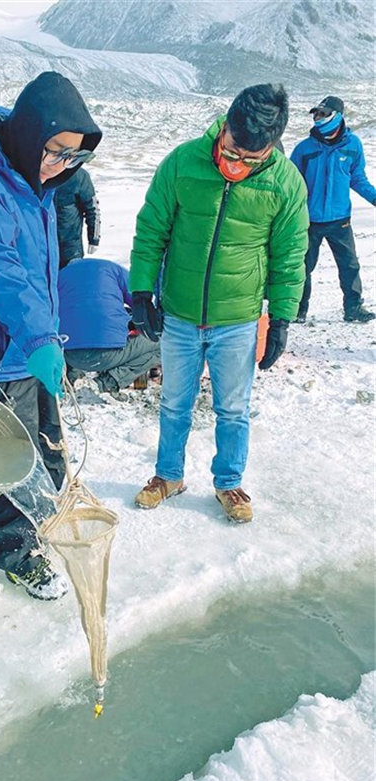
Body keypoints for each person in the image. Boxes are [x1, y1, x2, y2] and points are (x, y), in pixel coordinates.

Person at [0, 71, 102, 600]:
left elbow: (37, 267)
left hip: (31, 339)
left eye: (74, 158)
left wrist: (47, 332)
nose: (62, 167)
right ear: (31, 134)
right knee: (17, 455)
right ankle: (16, 551)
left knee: (50, 447)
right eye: (56, 152)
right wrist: (37, 337)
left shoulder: (36, 181)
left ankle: (35, 524)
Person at [130, 83, 309, 524]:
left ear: (270, 148)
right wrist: (140, 291)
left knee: (233, 408)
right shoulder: (182, 163)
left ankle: (229, 484)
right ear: (224, 127)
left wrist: (282, 317)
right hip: (181, 313)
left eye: (251, 160)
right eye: (232, 153)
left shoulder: (285, 183)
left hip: (238, 319)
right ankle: (167, 476)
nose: (237, 165)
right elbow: (152, 229)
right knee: (174, 402)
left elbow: (289, 258)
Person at [290, 96, 376, 323]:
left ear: (337, 116)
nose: (318, 118)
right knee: (302, 267)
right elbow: (291, 185)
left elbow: (358, 179)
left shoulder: (353, 145)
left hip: (340, 220)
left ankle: (353, 309)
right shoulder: (303, 148)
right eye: (316, 114)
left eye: (323, 113)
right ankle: (298, 310)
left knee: (349, 265)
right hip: (309, 220)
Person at [58, 258, 160, 392]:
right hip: (108, 354)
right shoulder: (113, 270)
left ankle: (73, 376)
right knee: (163, 343)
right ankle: (111, 381)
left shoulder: (59, 276)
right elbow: (139, 303)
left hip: (69, 356)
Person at [54, 165, 100, 269]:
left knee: (71, 283)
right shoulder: (38, 173)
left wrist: (94, 239)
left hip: (71, 250)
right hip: (42, 249)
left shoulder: (79, 175)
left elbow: (92, 209)